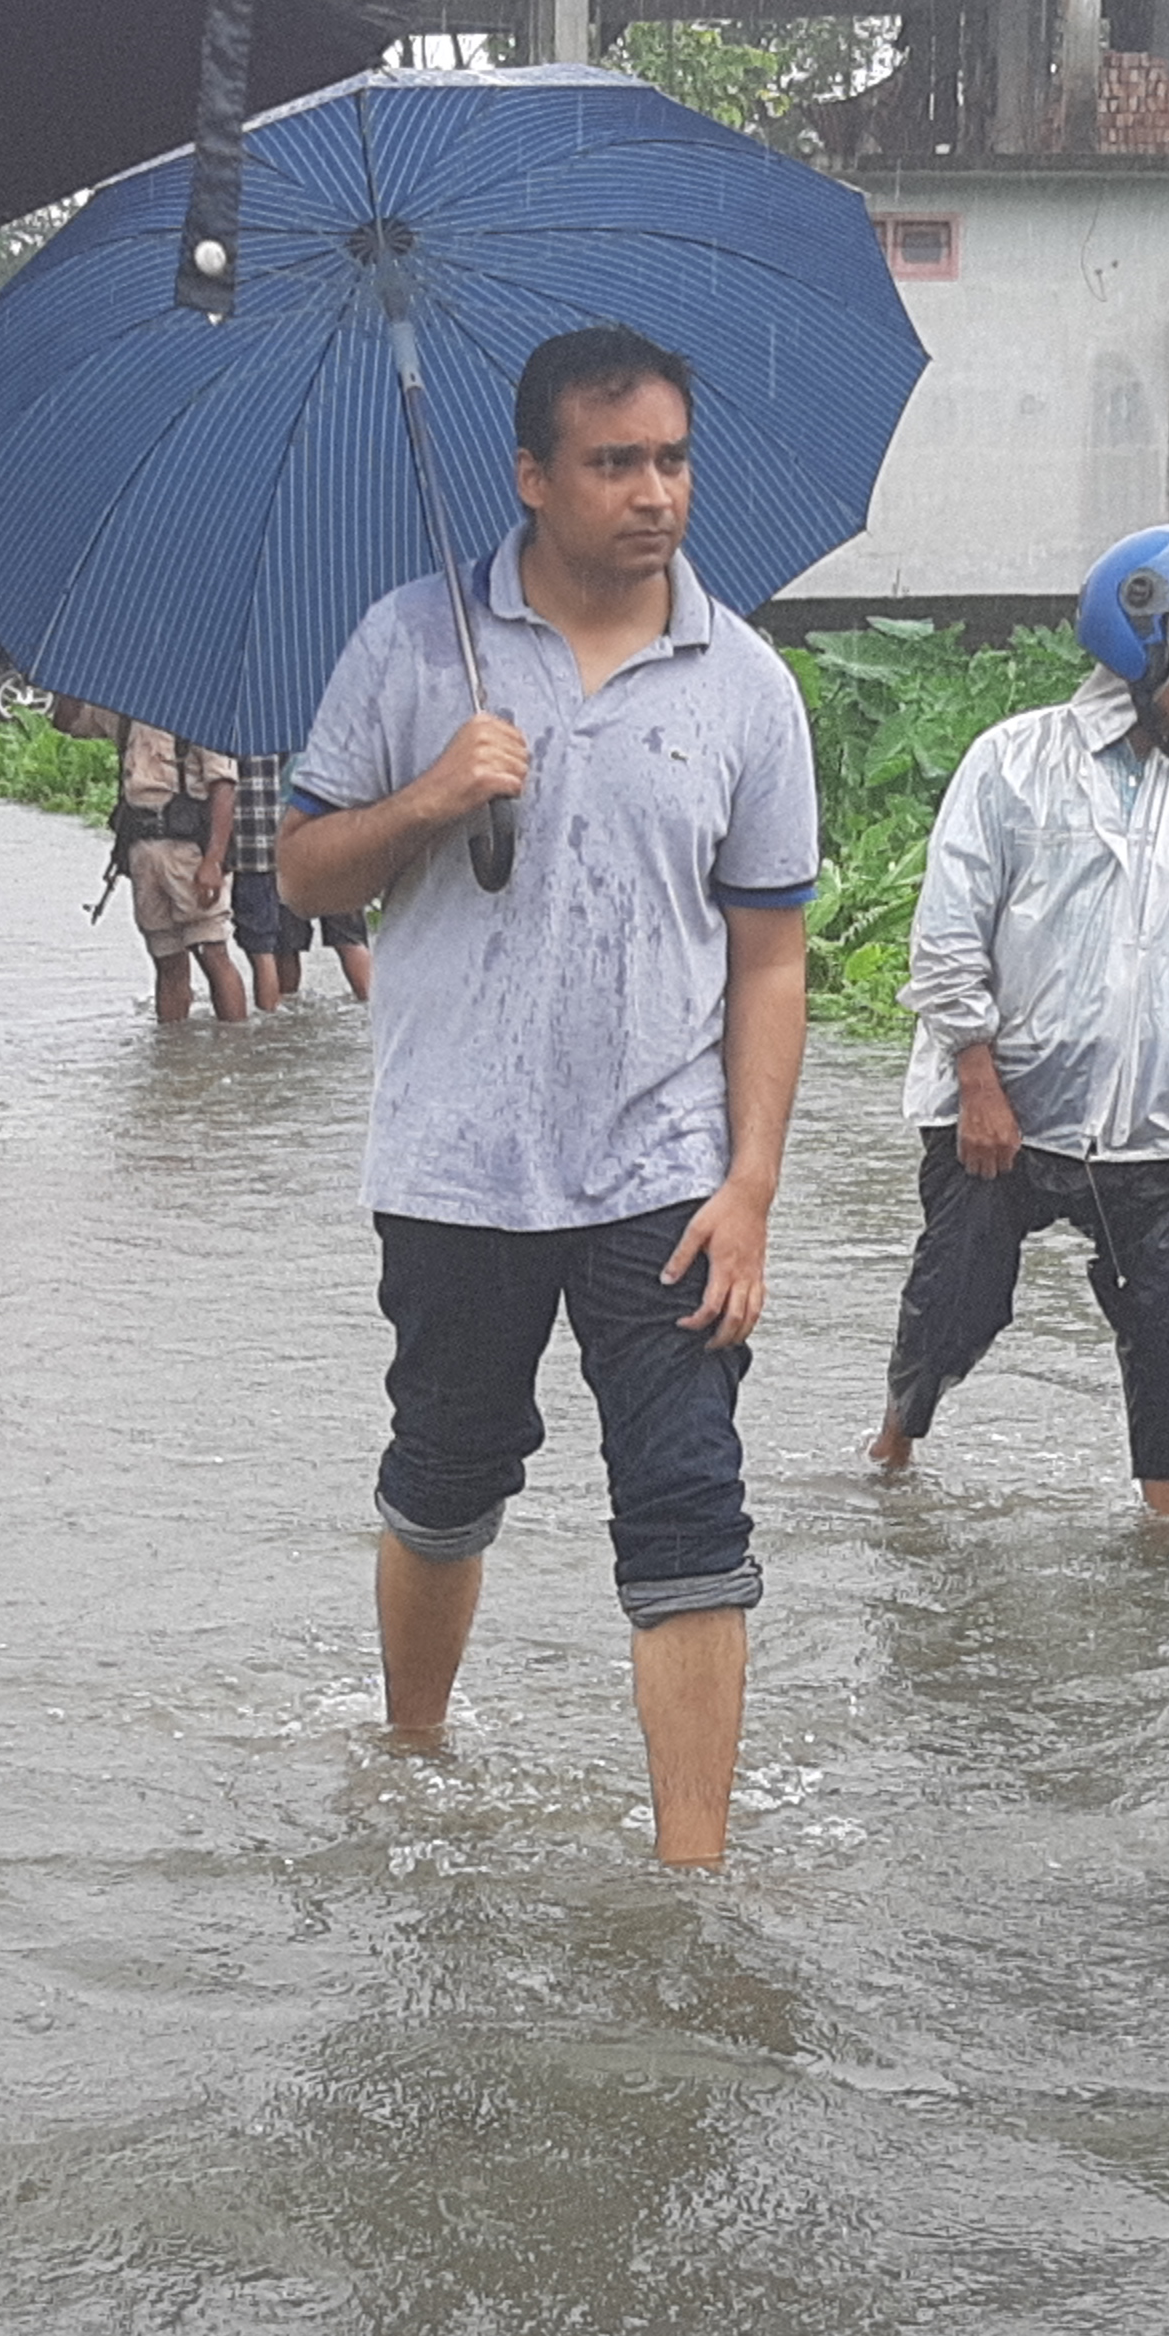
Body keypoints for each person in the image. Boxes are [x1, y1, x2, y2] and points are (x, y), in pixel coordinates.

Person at [274, 323, 816, 1868]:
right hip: (456, 1160)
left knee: (692, 1505)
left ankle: (692, 1878)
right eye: (613, 462)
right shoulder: (411, 646)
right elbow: (305, 868)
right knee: (448, 1477)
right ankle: (415, 1749)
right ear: (531, 475)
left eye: (671, 460)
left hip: (665, 1168)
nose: (654, 494)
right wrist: (435, 795)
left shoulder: (745, 686)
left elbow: (770, 959)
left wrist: (753, 1185)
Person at [868, 524, 1169, 1521]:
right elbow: (948, 930)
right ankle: (891, 1450)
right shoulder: (1016, 762)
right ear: (1142, 633)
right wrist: (976, 1080)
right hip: (1004, 1110)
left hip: (1148, 1123)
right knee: (956, 1309)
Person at [115, 714, 250, 1024]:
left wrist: (213, 861)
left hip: (188, 852)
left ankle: (235, 1046)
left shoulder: (202, 716)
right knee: (165, 957)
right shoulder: (127, 715)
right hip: (143, 849)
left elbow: (223, 788)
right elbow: (68, 723)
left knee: (212, 950)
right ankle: (172, 1051)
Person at [228, 743, 373, 1002]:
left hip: (288, 848)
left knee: (287, 947)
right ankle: (374, 1009)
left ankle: (284, 1021)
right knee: (348, 939)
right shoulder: (330, 735)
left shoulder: (267, 738)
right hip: (334, 841)